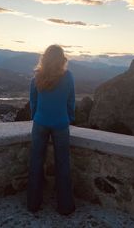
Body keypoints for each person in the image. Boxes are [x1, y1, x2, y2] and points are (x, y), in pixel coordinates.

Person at [27, 44, 76, 215]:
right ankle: (65, 206)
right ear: (62, 59)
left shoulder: (37, 77)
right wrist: (69, 118)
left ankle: (33, 204)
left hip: (40, 123)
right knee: (63, 165)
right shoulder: (68, 77)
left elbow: (33, 101)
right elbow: (71, 101)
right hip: (61, 124)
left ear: (45, 58)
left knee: (35, 163)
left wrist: (36, 117)